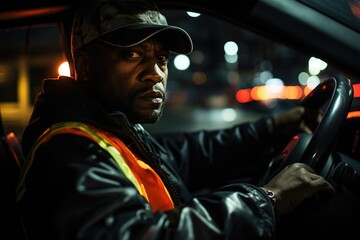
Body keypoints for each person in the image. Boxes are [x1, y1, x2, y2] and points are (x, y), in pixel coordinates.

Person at [16, 0, 334, 239]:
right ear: (84, 66)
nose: (155, 74)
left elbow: (189, 155)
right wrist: (266, 200)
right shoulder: (67, 152)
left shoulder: (113, 127)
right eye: (132, 54)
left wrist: (276, 126)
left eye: (161, 58)